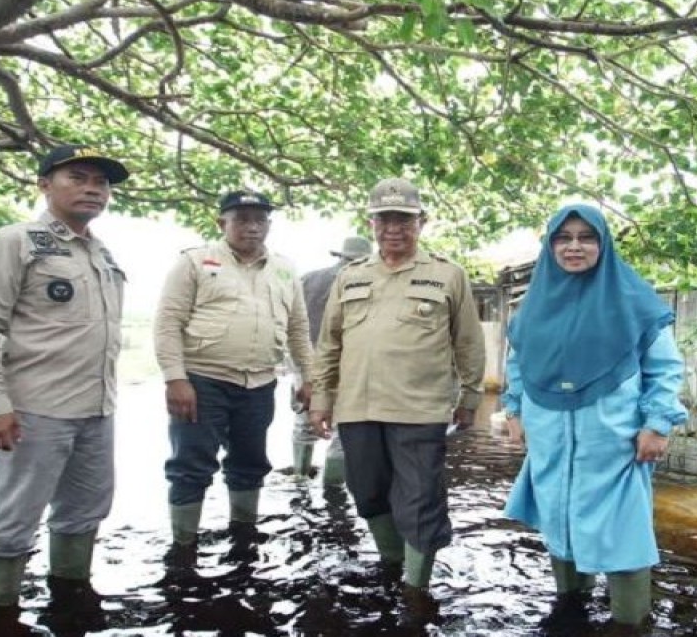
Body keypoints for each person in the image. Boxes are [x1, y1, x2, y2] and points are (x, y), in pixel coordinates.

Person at [0, 143, 130, 629]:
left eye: (102, 182)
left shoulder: (101, 252)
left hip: (95, 408)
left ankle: (70, 602)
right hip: (33, 409)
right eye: (78, 177)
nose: (93, 188)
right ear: (44, 184)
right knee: (14, 516)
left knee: (85, 509)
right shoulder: (14, 242)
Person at [501, 203, 687, 626]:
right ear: (550, 247)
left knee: (623, 529)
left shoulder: (633, 299)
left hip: (613, 436)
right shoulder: (534, 304)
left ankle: (629, 631)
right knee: (559, 514)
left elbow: (665, 367)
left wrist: (657, 423)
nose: (574, 247)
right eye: (563, 238)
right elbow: (520, 363)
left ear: (603, 244)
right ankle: (572, 614)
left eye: (586, 237)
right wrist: (513, 408)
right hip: (549, 433)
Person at [309, 178, 486, 597]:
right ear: (372, 223)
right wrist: (322, 397)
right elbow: (330, 341)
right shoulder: (350, 277)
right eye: (385, 218)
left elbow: (468, 341)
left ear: (421, 222)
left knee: (420, 499)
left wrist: (471, 396)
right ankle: (392, 565)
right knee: (367, 492)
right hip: (357, 409)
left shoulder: (447, 275)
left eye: (404, 219)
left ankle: (415, 590)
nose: (394, 227)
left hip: (419, 410)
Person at [153, 190, 315, 563]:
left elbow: (297, 329)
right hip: (201, 381)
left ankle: (243, 536)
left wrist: (310, 377)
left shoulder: (285, 268)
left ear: (269, 225)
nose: (252, 227)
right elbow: (168, 322)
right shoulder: (194, 262)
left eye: (260, 220)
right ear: (221, 222)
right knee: (190, 465)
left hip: (259, 383)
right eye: (241, 218)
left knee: (250, 461)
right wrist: (175, 379)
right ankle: (183, 548)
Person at [288, 235, 372, 483]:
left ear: (341, 256)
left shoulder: (308, 279)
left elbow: (290, 323)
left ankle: (300, 478)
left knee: (304, 422)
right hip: (347, 364)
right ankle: (333, 495)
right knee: (343, 431)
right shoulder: (366, 282)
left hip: (306, 363)